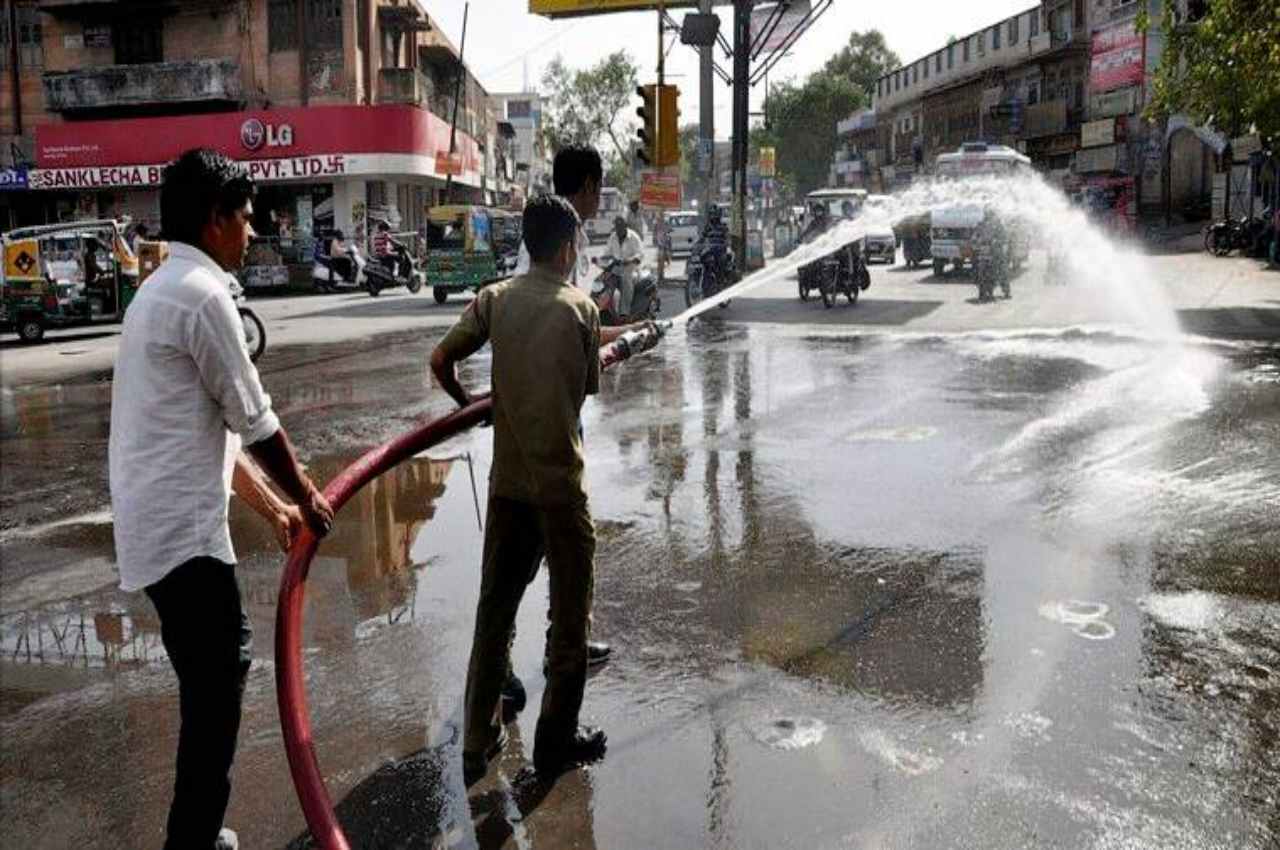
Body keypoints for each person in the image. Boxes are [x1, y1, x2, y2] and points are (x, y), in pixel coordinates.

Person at [109, 148, 334, 850]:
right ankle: (193, 838)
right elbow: (256, 423)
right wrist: (309, 494)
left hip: (155, 530)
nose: (253, 228)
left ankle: (197, 831)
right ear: (214, 220)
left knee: (207, 687)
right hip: (180, 538)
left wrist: (276, 510)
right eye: (244, 216)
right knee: (219, 684)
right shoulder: (204, 296)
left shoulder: (160, 288)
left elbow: (216, 434)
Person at [430, 195, 658, 784]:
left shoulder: (495, 298)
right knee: (570, 620)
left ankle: (476, 740)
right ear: (566, 247)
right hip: (561, 494)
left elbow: (441, 360)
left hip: (508, 491)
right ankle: (555, 744)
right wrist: (624, 339)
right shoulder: (580, 308)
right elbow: (583, 385)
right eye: (578, 241)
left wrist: (473, 407)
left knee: (494, 615)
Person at [514, 144, 601, 291]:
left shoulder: (574, 233)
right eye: (599, 186)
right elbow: (527, 298)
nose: (600, 196)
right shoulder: (546, 234)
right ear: (588, 186)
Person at [602, 215, 644, 318]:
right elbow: (607, 253)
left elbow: (640, 255)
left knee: (626, 280)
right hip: (616, 269)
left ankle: (624, 313)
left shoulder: (634, 237)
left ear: (625, 226)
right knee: (602, 280)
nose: (618, 228)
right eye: (616, 226)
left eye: (620, 226)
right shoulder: (613, 237)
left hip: (632, 270)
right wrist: (602, 260)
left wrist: (630, 260)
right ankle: (604, 310)